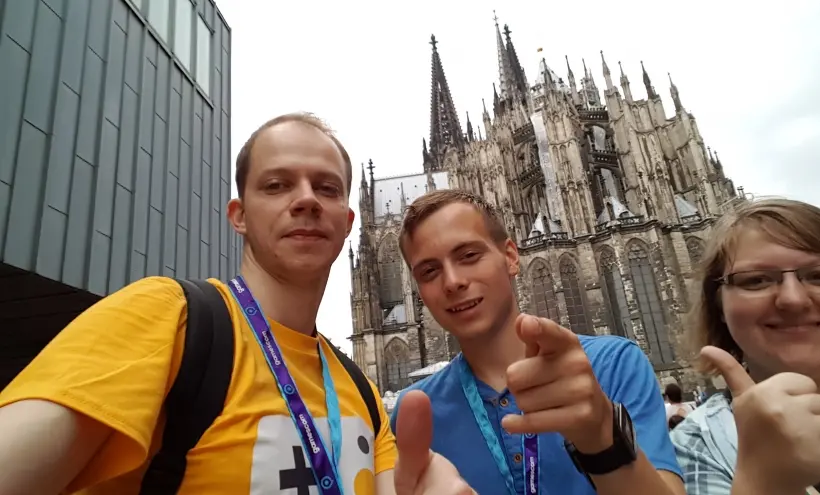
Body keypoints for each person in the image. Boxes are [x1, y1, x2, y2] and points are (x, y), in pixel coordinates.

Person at [0, 113, 473, 495]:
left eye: (327, 188)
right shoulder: (169, 319)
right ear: (239, 215)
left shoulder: (361, 392)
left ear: (349, 222)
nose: (306, 200)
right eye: (277, 185)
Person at [390, 190, 685, 494]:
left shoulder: (613, 365)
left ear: (510, 257)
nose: (452, 282)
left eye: (469, 256)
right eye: (429, 271)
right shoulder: (416, 412)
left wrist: (602, 438)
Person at [670, 198, 820, 495]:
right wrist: (761, 482)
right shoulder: (699, 444)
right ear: (719, 306)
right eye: (756, 280)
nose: (793, 299)